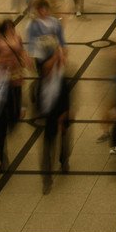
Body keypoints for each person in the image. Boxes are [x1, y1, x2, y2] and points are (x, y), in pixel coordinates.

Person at [0, 19, 28, 171]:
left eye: (13, 27)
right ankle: (2, 157)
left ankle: (15, 112)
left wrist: (25, 60)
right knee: (8, 96)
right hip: (4, 74)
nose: (12, 29)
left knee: (16, 93)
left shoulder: (17, 37)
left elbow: (22, 51)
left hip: (16, 73)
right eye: (9, 27)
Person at [38, 49, 72, 194]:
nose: (47, 69)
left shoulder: (61, 80)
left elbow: (67, 99)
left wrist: (65, 116)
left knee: (64, 143)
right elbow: (38, 100)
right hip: (50, 117)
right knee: (47, 149)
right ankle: (47, 179)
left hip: (62, 115)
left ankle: (64, 160)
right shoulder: (41, 83)